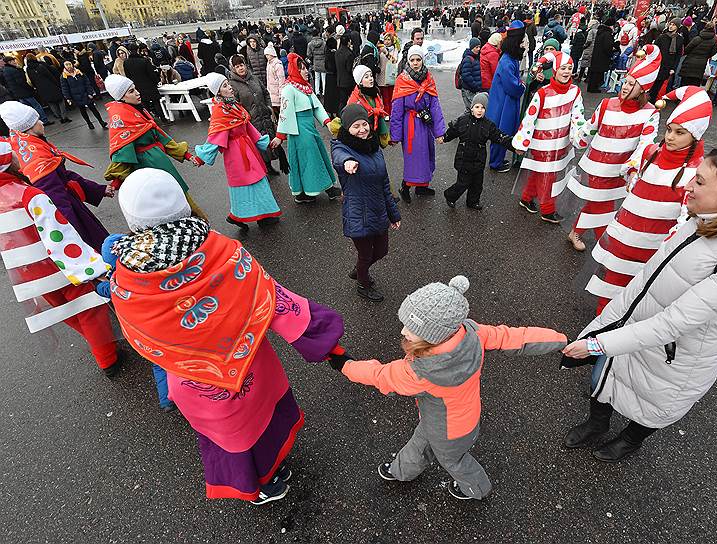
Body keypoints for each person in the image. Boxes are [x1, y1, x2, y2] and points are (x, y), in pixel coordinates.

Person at [107, 169, 345, 503]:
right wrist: (326, 342)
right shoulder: (223, 251)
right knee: (264, 416)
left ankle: (258, 482)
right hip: (250, 362)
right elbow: (274, 299)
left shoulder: (128, 278)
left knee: (230, 436)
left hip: (196, 381)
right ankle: (270, 471)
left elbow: (142, 331)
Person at [561, 145, 717, 463]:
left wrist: (599, 343)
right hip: (640, 321)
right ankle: (597, 424)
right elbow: (653, 273)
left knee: (654, 400)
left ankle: (631, 439)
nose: (689, 186)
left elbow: (675, 322)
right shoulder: (716, 213)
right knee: (607, 376)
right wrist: (611, 322)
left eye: (701, 182)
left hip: (680, 350)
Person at [329, 275, 567, 500]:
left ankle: (477, 489)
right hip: (458, 418)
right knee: (421, 441)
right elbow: (513, 337)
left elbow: (380, 375)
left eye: (412, 329)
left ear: (433, 335)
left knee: (453, 461)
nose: (403, 331)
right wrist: (559, 340)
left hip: (449, 432)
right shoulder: (470, 332)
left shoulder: (422, 372)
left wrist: (344, 365)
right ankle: (402, 471)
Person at [587, 86, 712, 313]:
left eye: (680, 133)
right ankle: (599, 325)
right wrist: (632, 174)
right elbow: (633, 177)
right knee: (609, 285)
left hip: (652, 246)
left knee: (636, 293)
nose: (671, 137)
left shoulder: (697, 174)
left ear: (696, 136)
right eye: (669, 130)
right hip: (625, 233)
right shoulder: (652, 152)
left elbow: (686, 220)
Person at [0, 141, 119, 376]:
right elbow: (58, 235)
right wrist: (91, 264)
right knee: (89, 310)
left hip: (25, 271)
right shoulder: (29, 194)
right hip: (56, 266)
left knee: (64, 309)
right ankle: (108, 359)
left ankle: (97, 343)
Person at [567, 45, 661, 251]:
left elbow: (646, 143)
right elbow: (589, 129)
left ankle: (579, 233)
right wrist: (575, 136)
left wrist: (634, 166)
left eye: (631, 84)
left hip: (621, 169)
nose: (625, 87)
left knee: (601, 203)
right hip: (597, 167)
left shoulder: (650, 113)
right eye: (625, 82)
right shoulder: (607, 104)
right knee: (602, 204)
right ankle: (603, 244)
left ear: (643, 89)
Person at [0, 101, 112, 251]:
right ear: (29, 129)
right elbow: (58, 200)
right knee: (97, 247)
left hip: (69, 203)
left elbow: (63, 176)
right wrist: (74, 237)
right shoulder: (38, 161)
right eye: (37, 120)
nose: (42, 122)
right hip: (70, 215)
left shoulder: (24, 143)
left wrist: (98, 190)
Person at [103, 74, 206, 219]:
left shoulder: (137, 110)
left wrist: (188, 156)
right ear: (121, 97)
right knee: (163, 207)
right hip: (146, 169)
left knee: (181, 197)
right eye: (131, 91)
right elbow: (123, 156)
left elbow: (162, 137)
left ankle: (200, 227)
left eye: (135, 89)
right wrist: (115, 183)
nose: (137, 92)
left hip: (161, 162)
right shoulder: (122, 120)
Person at [331, 104, 401, 302]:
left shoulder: (374, 147)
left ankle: (359, 270)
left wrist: (393, 214)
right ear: (347, 129)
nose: (362, 130)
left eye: (364, 124)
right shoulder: (341, 146)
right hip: (358, 213)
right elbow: (339, 158)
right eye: (355, 126)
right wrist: (347, 163)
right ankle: (363, 284)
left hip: (378, 209)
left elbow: (385, 184)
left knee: (381, 251)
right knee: (365, 254)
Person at [195, 73, 282, 231]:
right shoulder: (220, 112)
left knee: (258, 181)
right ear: (218, 92)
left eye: (228, 84)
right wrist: (202, 156)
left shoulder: (234, 105)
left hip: (248, 149)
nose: (230, 88)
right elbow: (216, 137)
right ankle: (239, 216)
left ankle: (263, 215)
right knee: (244, 186)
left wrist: (263, 142)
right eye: (225, 86)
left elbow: (248, 127)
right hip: (236, 154)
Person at [514, 51, 584, 223]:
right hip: (542, 144)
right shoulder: (543, 93)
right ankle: (547, 210)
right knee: (549, 176)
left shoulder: (575, 91)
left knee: (540, 173)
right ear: (554, 70)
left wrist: (580, 134)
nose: (566, 72)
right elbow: (529, 118)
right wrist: (522, 142)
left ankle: (526, 197)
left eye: (569, 68)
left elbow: (578, 116)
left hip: (561, 143)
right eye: (562, 68)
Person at [273, 53, 340, 203]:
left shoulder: (304, 86)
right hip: (299, 131)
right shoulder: (289, 89)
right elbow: (285, 113)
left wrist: (327, 122)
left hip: (309, 128)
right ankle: (326, 190)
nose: (305, 71)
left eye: (305, 68)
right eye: (302, 69)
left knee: (312, 158)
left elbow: (317, 106)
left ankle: (306, 192)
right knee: (311, 159)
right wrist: (280, 136)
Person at [390, 45, 446, 203]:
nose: (415, 62)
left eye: (418, 59)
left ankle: (422, 186)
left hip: (425, 123)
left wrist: (439, 132)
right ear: (408, 61)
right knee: (413, 158)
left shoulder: (429, 79)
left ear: (423, 60)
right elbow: (397, 111)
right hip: (411, 126)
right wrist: (395, 135)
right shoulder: (402, 80)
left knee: (427, 156)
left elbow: (435, 106)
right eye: (412, 60)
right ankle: (405, 186)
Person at [442, 92, 515, 210]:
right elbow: (452, 132)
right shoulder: (463, 120)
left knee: (477, 185)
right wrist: (444, 138)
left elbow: (500, 137)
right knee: (462, 183)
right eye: (477, 107)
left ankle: (472, 201)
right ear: (472, 108)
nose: (479, 110)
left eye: (483, 108)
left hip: (478, 160)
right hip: (464, 159)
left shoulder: (488, 125)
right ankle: (450, 195)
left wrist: (514, 146)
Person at [228, 54, 283, 177]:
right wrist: (245, 116)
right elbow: (235, 104)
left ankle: (268, 167)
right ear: (233, 69)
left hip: (264, 116)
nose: (241, 68)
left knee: (267, 143)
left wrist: (269, 107)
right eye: (237, 66)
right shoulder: (233, 85)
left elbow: (266, 93)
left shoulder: (254, 78)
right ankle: (262, 171)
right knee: (256, 147)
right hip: (251, 121)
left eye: (242, 65)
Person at [486, 20, 526, 173]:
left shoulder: (508, 57)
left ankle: (497, 160)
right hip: (504, 103)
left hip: (502, 101)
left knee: (502, 131)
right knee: (501, 132)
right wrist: (521, 85)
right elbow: (512, 86)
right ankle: (495, 163)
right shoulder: (507, 61)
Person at [2, 57, 51, 125]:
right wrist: (21, 70)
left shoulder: (5, 70)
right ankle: (44, 120)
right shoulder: (14, 70)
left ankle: (33, 123)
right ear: (9, 62)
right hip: (24, 92)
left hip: (17, 93)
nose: (15, 62)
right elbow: (21, 81)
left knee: (27, 109)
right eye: (13, 61)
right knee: (37, 106)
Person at [123, 46, 167, 123]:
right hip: (149, 85)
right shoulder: (144, 61)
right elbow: (152, 74)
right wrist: (156, 82)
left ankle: (149, 121)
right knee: (156, 103)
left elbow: (128, 76)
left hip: (137, 87)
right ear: (138, 50)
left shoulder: (126, 62)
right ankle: (164, 119)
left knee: (144, 105)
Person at [61, 61, 107, 130]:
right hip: (76, 97)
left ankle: (101, 122)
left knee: (93, 109)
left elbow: (87, 83)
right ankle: (89, 123)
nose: (68, 66)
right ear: (64, 67)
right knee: (83, 110)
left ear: (72, 65)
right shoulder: (63, 77)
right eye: (66, 65)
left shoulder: (79, 73)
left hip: (86, 94)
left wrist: (90, 93)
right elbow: (64, 88)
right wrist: (68, 98)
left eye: (69, 64)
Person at [24, 55, 69, 124]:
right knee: (60, 100)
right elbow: (50, 76)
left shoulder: (28, 69)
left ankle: (59, 116)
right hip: (51, 86)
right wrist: (57, 84)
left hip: (41, 89)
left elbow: (31, 80)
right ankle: (64, 117)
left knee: (51, 103)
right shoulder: (40, 66)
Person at [650, 18, 685, 101]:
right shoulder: (662, 37)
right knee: (652, 83)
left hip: (668, 66)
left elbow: (678, 55)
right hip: (658, 63)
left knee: (659, 85)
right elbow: (655, 49)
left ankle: (652, 101)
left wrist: (673, 68)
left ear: (677, 27)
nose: (671, 26)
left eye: (673, 25)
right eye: (670, 24)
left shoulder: (679, 39)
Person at [678, 22, 717, 87]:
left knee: (684, 86)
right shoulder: (714, 41)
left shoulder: (698, 38)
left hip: (689, 64)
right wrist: (706, 56)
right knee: (694, 87)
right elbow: (714, 51)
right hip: (700, 66)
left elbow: (687, 49)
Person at [586, 19, 616, 93]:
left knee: (594, 72)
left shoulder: (600, 32)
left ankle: (591, 87)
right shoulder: (607, 34)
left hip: (596, 55)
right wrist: (612, 50)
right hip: (602, 57)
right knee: (598, 73)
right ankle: (594, 88)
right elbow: (607, 47)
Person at [459, 38, 483, 112]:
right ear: (472, 47)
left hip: (472, 89)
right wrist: (475, 85)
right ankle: (456, 123)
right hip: (469, 90)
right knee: (472, 111)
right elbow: (466, 75)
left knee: (471, 111)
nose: (479, 49)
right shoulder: (468, 59)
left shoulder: (475, 58)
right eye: (476, 47)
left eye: (479, 47)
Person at [378, 32, 400, 110]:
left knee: (390, 95)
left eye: (389, 40)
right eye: (385, 39)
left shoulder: (395, 50)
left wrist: (386, 53)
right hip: (381, 75)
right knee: (383, 96)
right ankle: (385, 111)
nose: (386, 41)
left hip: (390, 76)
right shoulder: (380, 49)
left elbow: (394, 61)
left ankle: (390, 111)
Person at [265, 43, 286, 119]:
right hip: (272, 92)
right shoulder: (269, 64)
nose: (266, 57)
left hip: (277, 92)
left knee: (280, 114)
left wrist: (281, 94)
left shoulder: (277, 64)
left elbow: (281, 80)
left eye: (267, 54)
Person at [324, 27, 342, 118]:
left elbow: (326, 66)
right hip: (335, 76)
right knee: (336, 95)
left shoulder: (327, 54)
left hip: (329, 76)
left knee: (329, 95)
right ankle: (337, 111)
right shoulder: (336, 54)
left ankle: (330, 112)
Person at [335, 35, 356, 112]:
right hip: (348, 81)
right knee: (351, 100)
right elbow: (349, 69)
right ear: (348, 42)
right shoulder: (349, 54)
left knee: (342, 101)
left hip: (340, 80)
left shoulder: (337, 52)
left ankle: (341, 115)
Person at [306, 28, 327, 97]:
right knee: (324, 78)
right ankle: (324, 92)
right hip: (323, 62)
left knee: (317, 78)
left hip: (315, 62)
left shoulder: (310, 44)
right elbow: (326, 52)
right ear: (318, 34)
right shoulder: (324, 43)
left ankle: (317, 92)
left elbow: (308, 54)